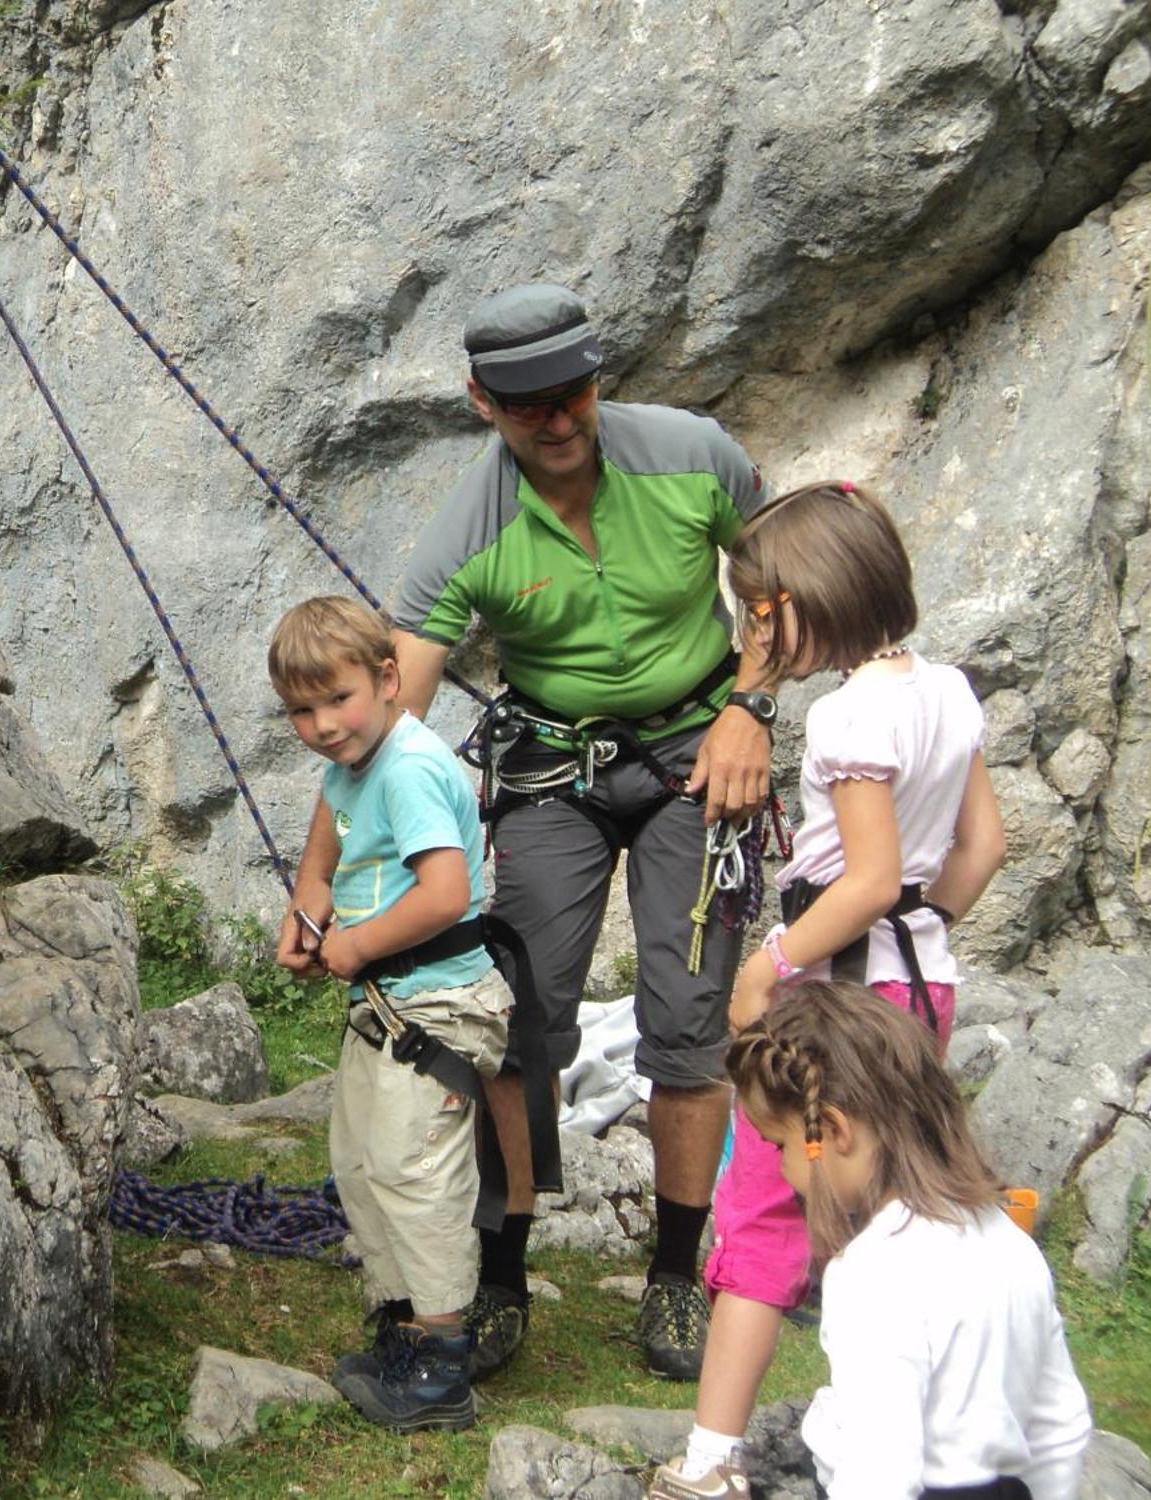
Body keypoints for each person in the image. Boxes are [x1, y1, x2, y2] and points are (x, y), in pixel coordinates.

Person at [386, 283, 777, 1381]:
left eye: (572, 394)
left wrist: (751, 710)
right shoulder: (471, 522)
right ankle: (500, 1274)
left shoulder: (692, 453)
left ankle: (673, 1274)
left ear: (597, 379)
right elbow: (393, 716)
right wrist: (345, 868)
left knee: (688, 1019)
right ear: (481, 403)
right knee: (519, 1020)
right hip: (549, 773)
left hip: (702, 757)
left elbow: (783, 580)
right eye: (526, 407)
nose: (556, 421)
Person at [652, 480, 1010, 1499]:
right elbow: (980, 849)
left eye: (760, 606)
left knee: (765, 1209)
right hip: (916, 989)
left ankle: (710, 1463)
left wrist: (770, 962)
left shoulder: (854, 713)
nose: (752, 627)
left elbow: (857, 876)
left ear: (807, 596)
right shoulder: (946, 691)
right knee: (901, 1203)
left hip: (831, 1002)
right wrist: (915, 931)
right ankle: (926, 1435)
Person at [268, 595, 514, 1432]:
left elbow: (446, 894)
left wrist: (361, 943)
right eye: (301, 710)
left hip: (435, 1005)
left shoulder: (408, 767)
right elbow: (328, 856)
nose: (324, 725)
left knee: (417, 1173)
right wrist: (309, 920)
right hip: (387, 1003)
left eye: (337, 700)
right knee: (363, 1160)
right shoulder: (351, 769)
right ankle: (406, 1327)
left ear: (386, 680)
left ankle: (442, 1363)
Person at [711, 984, 1093, 1499]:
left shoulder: (874, 1272)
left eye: (781, 1144)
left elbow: (880, 1471)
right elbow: (1060, 1426)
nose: (781, 1166)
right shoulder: (1011, 1244)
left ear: (832, 1131)